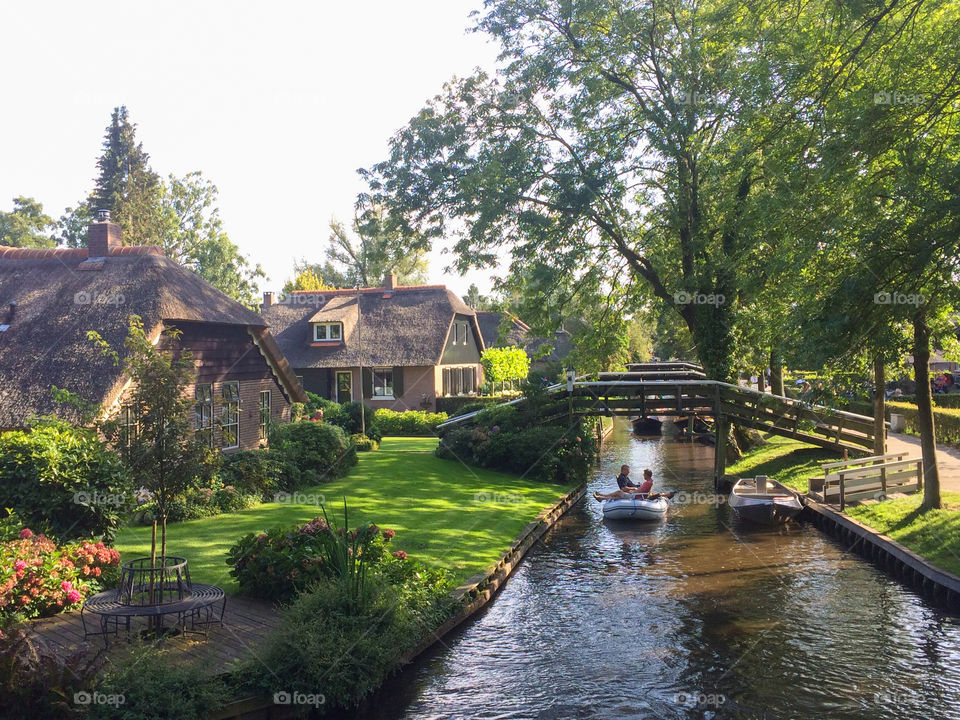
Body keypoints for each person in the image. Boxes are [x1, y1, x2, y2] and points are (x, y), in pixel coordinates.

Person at [594, 468, 674, 501]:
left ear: (646, 475)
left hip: (636, 496)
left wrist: (633, 490)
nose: (643, 475)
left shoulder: (647, 483)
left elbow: (639, 491)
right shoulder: (650, 481)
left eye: (644, 474)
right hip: (638, 495)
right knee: (619, 495)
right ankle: (602, 497)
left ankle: (602, 496)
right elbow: (643, 489)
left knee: (619, 493)